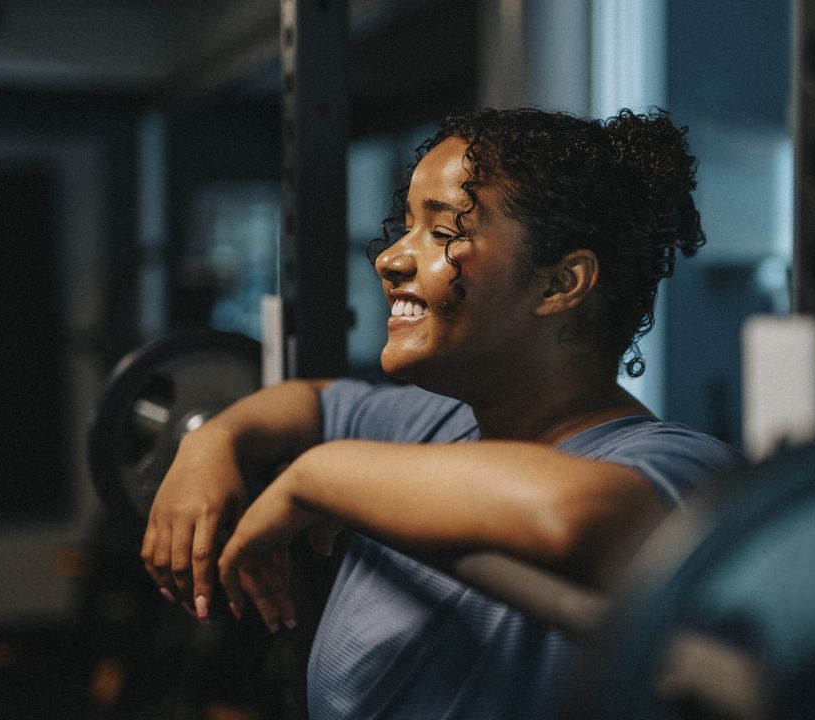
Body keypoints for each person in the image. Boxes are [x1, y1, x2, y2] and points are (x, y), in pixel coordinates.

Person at [141, 107, 740, 719]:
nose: (390, 259)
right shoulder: (438, 425)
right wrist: (212, 442)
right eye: (405, 228)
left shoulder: (680, 464)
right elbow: (311, 402)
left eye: (443, 232)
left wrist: (316, 477)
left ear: (561, 283)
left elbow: (576, 513)